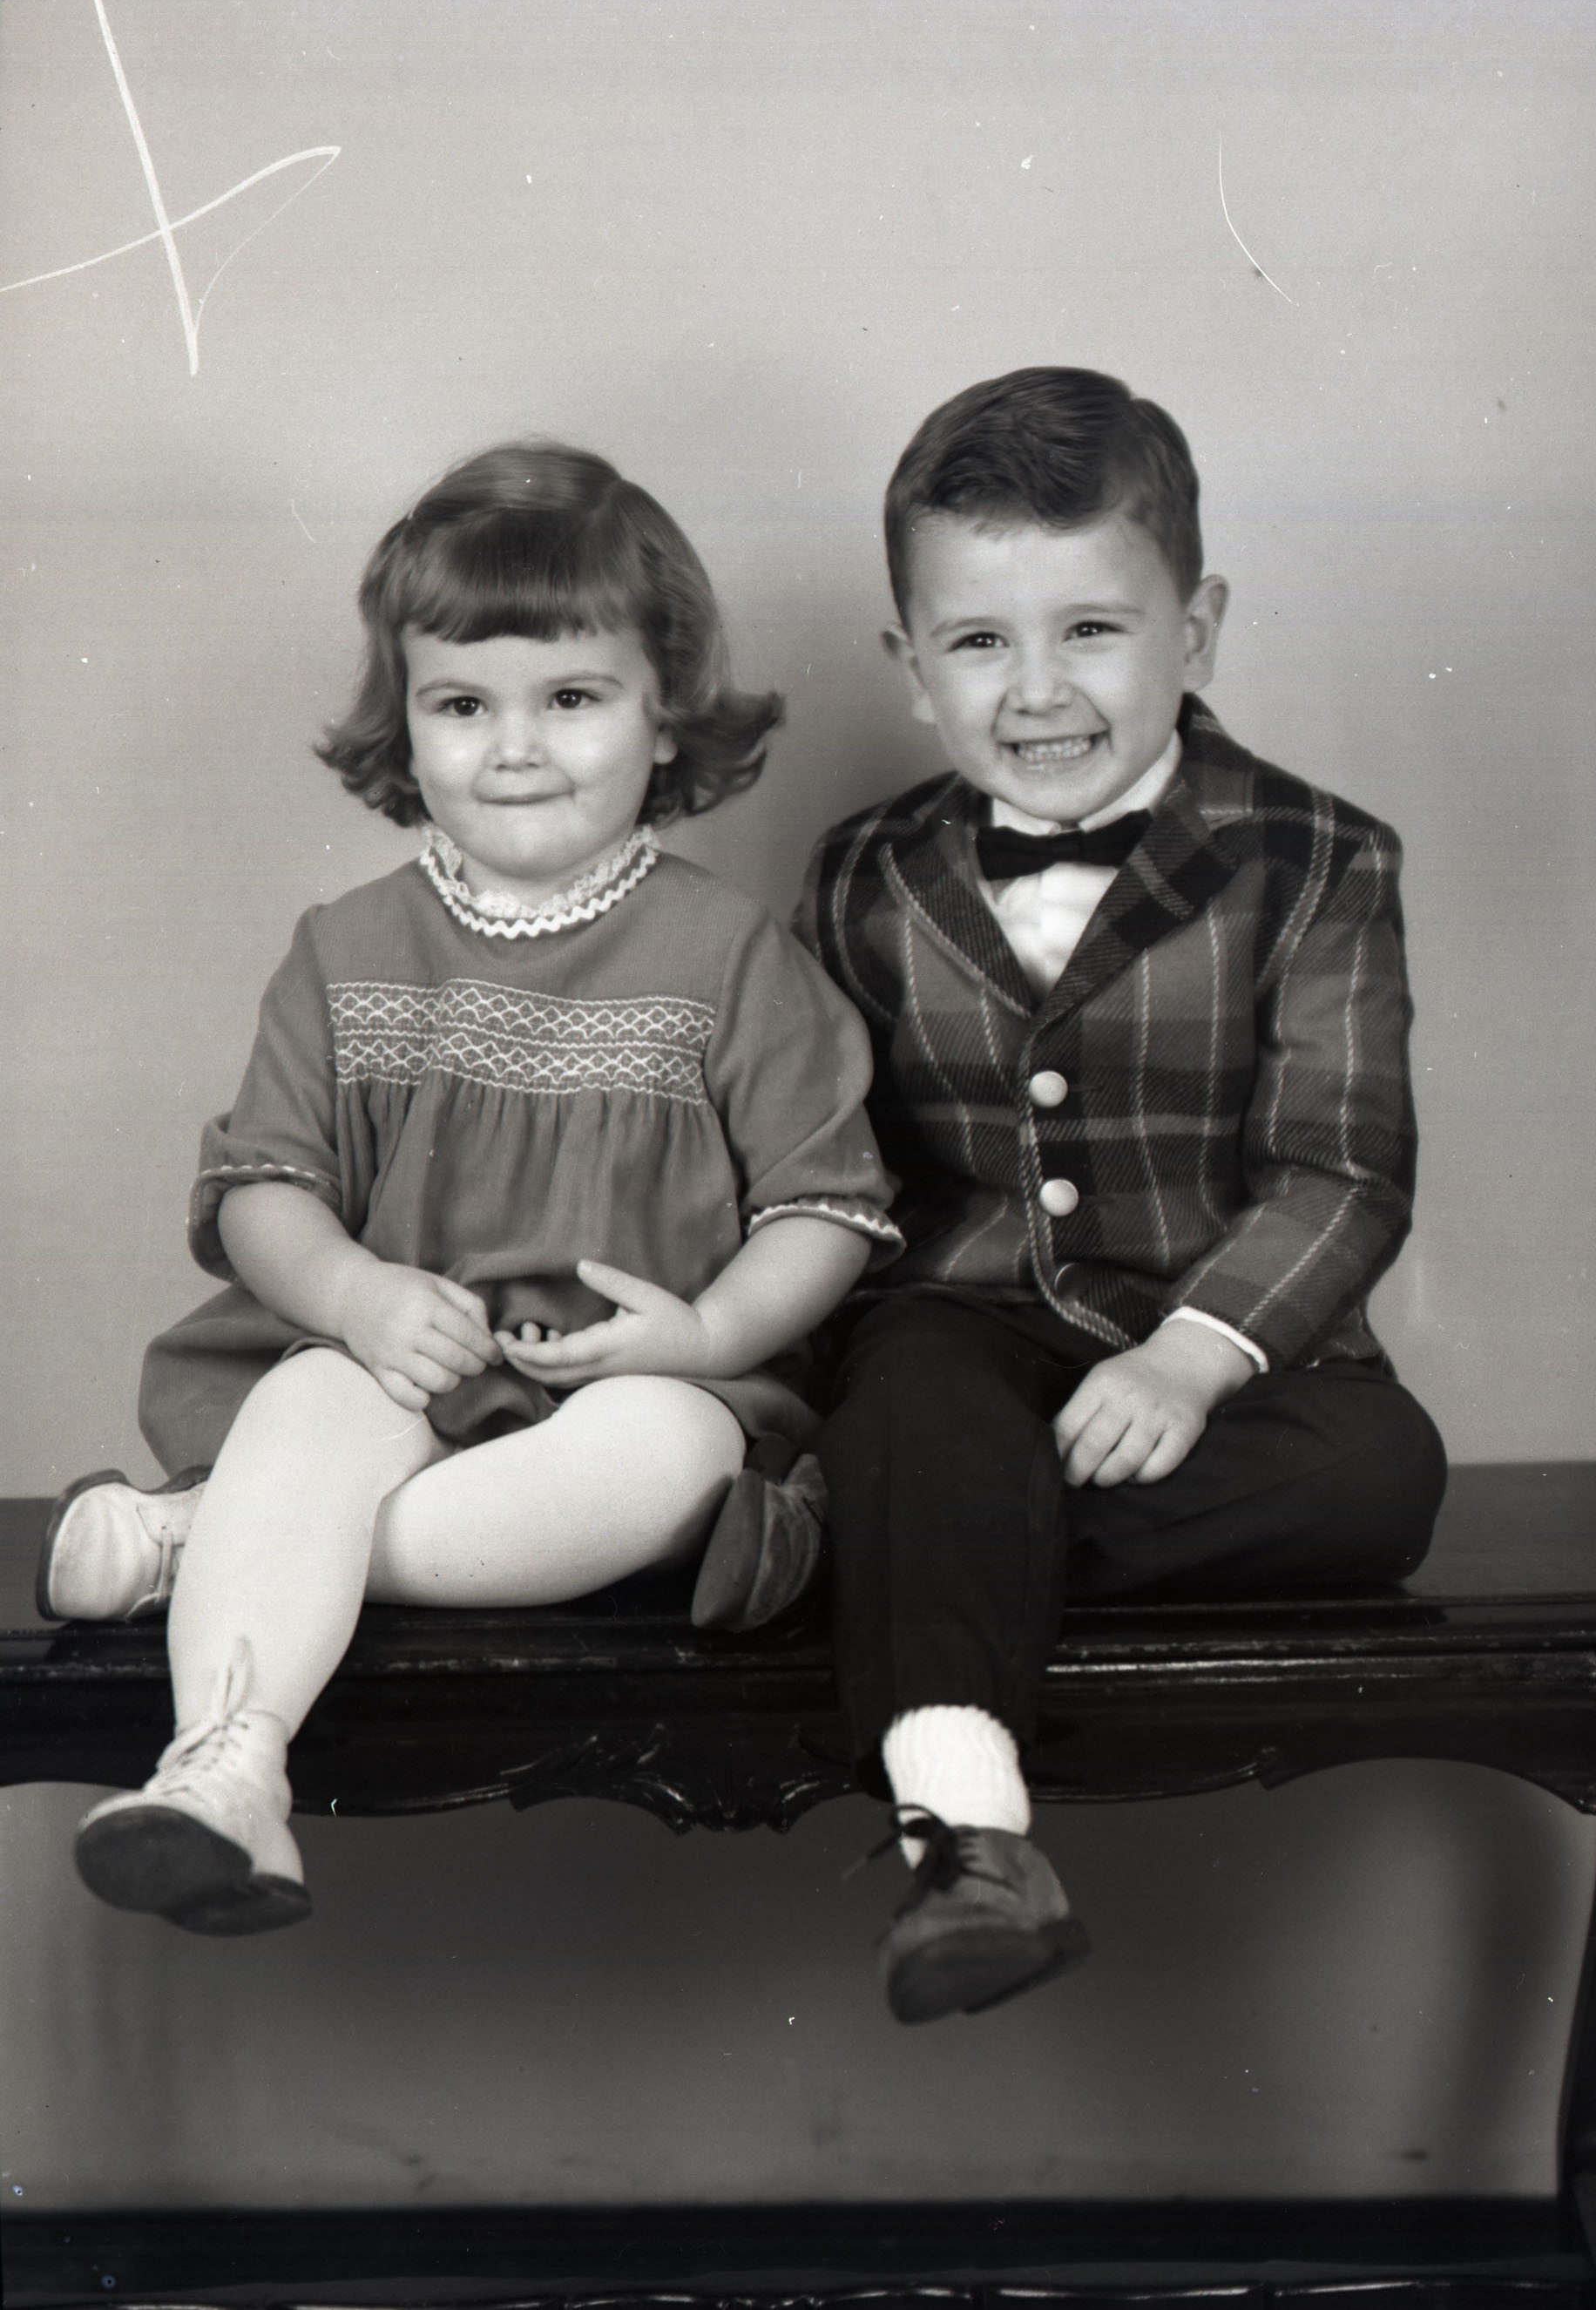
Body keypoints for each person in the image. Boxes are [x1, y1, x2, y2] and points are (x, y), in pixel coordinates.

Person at [38, 444, 896, 1934]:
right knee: (312, 1395)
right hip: (396, 1375)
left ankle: (211, 1540)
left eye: (571, 698)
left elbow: (824, 1210)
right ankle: (227, 1768)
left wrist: (703, 1334)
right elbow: (262, 1190)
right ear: (406, 721)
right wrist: (358, 1293)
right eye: (462, 704)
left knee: (671, 1453)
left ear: (664, 712)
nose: (515, 747)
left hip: (626, 1398)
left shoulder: (731, 958)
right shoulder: (347, 947)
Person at [797, 367, 1446, 2024]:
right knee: (915, 1400)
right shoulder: (862, 872)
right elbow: (821, 1163)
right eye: (978, 641)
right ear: (910, 665)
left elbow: (1344, 1167)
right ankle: (974, 1842)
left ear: (1197, 629)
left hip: (1218, 1359)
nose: (1037, 691)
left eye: (1091, 629)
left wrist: (1193, 1356)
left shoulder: (1319, 855)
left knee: (1381, 1474)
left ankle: (909, 1544)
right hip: (959, 1326)